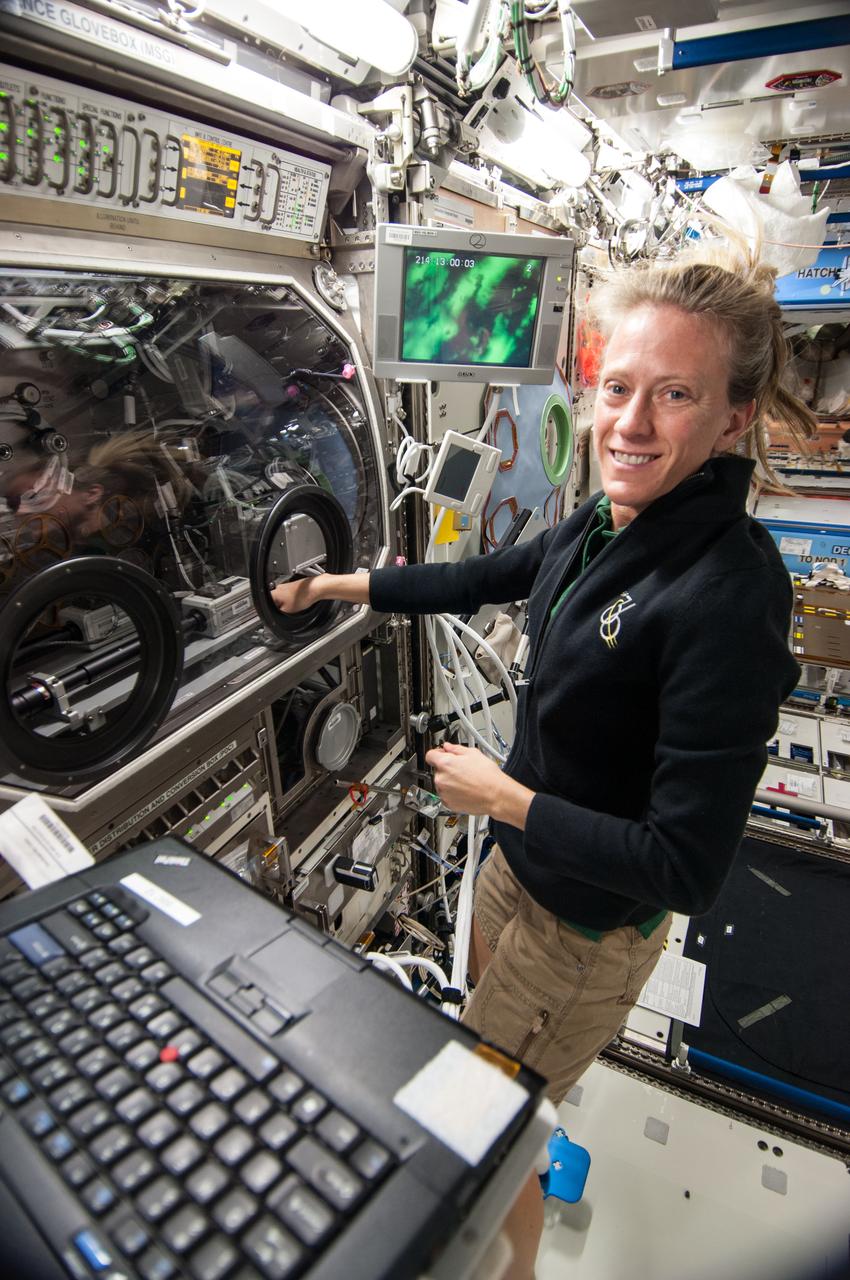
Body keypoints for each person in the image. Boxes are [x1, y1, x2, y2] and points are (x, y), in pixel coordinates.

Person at [271, 250, 815, 1279]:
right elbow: (492, 570)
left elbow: (684, 865)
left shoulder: (727, 594)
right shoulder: (614, 518)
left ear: (732, 418)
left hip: (583, 931)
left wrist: (507, 796)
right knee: (507, 1106)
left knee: (481, 1128)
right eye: (617, 388)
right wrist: (346, 586)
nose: (629, 424)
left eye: (675, 395)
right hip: (518, 876)